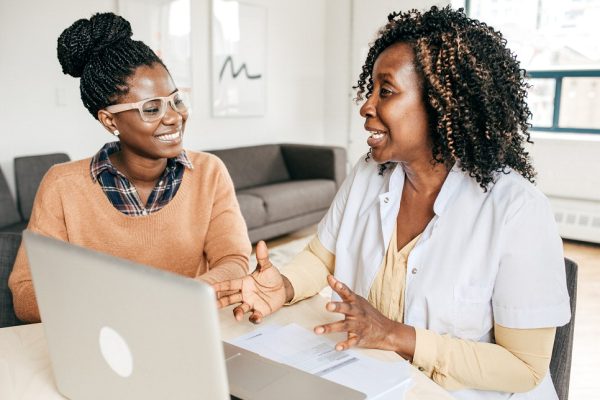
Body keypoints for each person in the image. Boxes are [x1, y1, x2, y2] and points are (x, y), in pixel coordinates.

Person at [214, 6, 570, 399]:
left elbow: (524, 368)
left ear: (442, 104)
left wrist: (397, 336)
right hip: (371, 380)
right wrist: (282, 286)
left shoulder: (517, 210)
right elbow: (323, 257)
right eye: (370, 91)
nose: (366, 106)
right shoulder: (369, 173)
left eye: (386, 91)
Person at [9, 12, 251, 323]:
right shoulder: (62, 185)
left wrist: (172, 302)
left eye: (176, 100)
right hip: (105, 341)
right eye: (151, 108)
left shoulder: (209, 172)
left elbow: (233, 261)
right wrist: (120, 306)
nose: (174, 117)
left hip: (190, 327)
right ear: (109, 120)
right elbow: (26, 293)